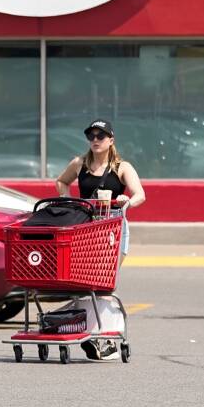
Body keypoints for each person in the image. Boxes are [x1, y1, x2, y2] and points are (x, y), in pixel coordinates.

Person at [54, 118, 146, 360]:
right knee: (86, 284)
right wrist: (68, 200)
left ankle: (106, 339)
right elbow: (61, 181)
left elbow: (140, 194)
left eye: (100, 136)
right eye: (91, 136)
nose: (95, 140)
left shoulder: (122, 167)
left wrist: (127, 201)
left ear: (111, 140)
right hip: (86, 228)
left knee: (104, 284)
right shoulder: (79, 163)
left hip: (113, 229)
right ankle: (94, 334)